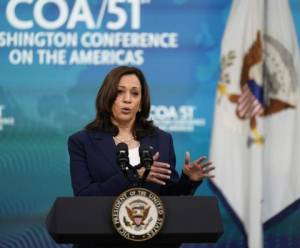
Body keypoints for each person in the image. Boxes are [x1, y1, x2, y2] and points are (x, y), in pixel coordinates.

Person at [68, 66, 214, 197]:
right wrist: (134, 175)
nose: (127, 99)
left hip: (152, 225)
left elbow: (169, 196)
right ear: (107, 98)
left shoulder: (162, 140)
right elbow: (84, 195)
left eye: (135, 93)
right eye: (119, 92)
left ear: (140, 103)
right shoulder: (83, 142)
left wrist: (188, 180)